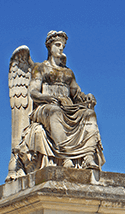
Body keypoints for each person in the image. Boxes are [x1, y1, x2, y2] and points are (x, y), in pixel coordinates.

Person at [18, 31, 105, 171]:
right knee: (55, 112)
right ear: (49, 47)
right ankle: (65, 158)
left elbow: (76, 93)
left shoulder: (68, 72)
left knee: (89, 114)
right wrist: (45, 98)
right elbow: (33, 92)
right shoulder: (40, 68)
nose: (61, 48)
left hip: (67, 107)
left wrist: (86, 97)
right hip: (46, 107)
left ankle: (88, 157)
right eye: (57, 45)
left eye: (63, 46)